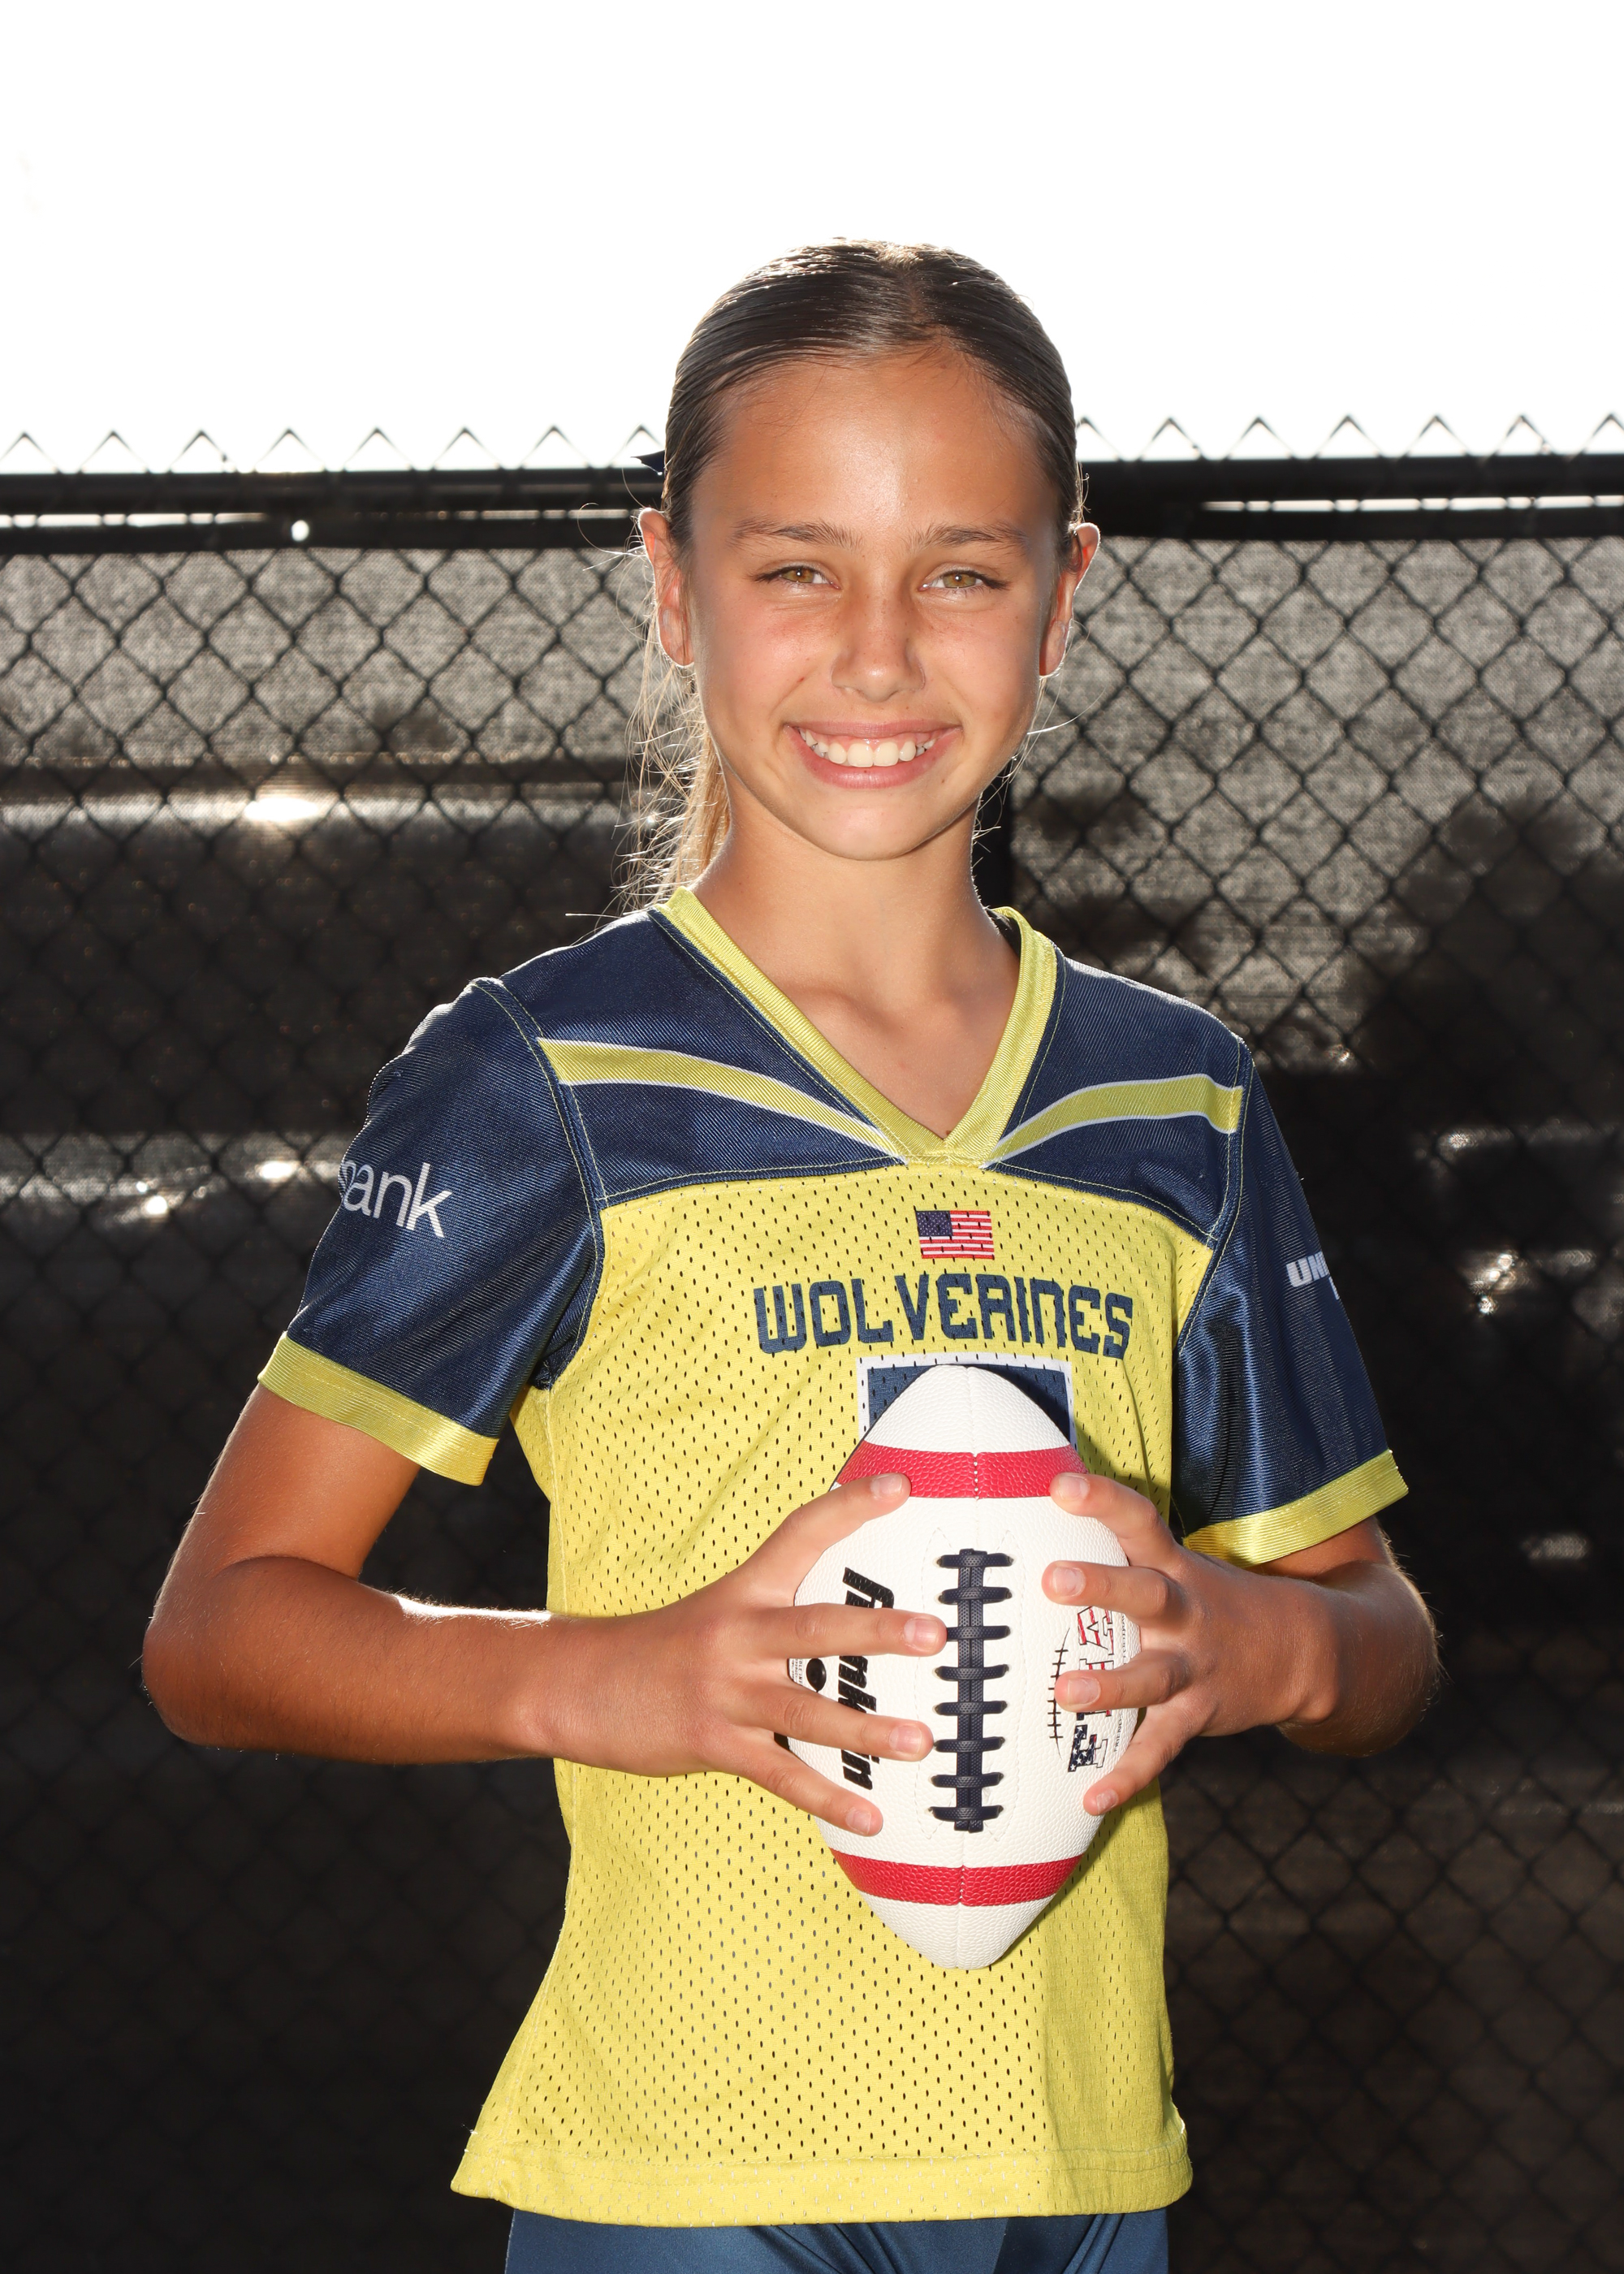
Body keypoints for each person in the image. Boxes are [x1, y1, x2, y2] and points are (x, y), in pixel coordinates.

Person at [143, 242, 1438, 2274]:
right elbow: (221, 1628)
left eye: (961, 572)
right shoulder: (550, 1076)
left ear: (1063, 595)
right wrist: (616, 1672)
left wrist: (1256, 1641)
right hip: (687, 2175)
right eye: (797, 567)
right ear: (672, 585)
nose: (878, 652)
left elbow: (1380, 1629)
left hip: (1085, 2175)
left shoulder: (1172, 1098)